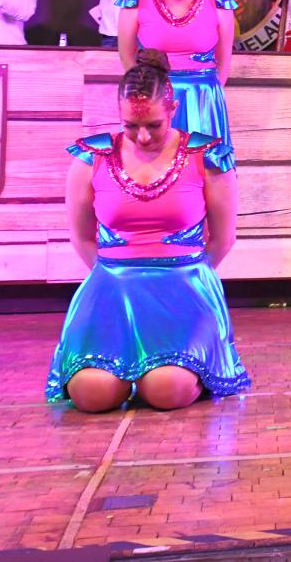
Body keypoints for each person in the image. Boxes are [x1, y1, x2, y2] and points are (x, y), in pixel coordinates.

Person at [47, 49, 249, 411]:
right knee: (91, 394)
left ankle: (174, 370)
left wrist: (189, 276)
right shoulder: (91, 158)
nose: (142, 137)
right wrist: (115, 275)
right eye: (130, 126)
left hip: (184, 288)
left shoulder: (207, 156)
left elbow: (223, 237)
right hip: (113, 290)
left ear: (173, 109)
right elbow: (82, 236)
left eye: (154, 125)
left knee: (166, 390)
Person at [116, 0, 237, 150]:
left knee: (204, 165)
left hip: (203, 100)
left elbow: (224, 63)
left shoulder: (218, 1)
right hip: (153, 101)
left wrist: (208, 96)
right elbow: (126, 58)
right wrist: (148, 97)